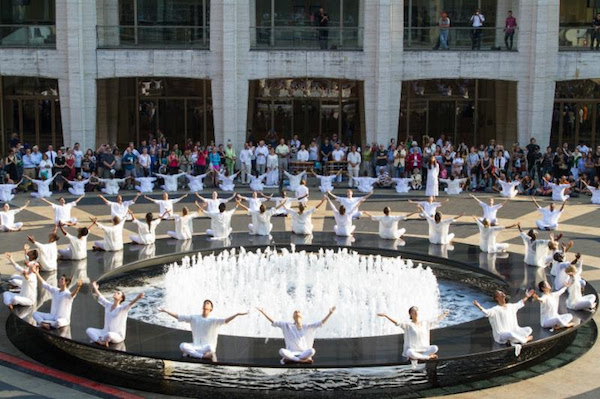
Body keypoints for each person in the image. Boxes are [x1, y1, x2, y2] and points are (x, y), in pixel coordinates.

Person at [158, 300, 248, 360]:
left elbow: (225, 321)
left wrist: (237, 314)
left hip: (206, 348)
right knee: (182, 345)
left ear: (211, 308)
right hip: (196, 347)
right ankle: (201, 356)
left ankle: (190, 353)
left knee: (210, 348)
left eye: (208, 303)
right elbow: (179, 316)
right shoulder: (194, 318)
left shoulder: (214, 320)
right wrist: (166, 311)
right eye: (205, 303)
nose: (206, 304)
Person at [256, 306, 336, 364]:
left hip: (303, 353)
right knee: (281, 351)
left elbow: (320, 323)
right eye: (295, 312)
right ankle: (300, 361)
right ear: (293, 317)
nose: (297, 312)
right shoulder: (287, 325)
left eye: (298, 312)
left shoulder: (307, 326)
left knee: (312, 350)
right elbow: (274, 322)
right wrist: (263, 312)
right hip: (291, 353)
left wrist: (330, 313)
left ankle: (291, 360)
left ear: (301, 316)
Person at [378, 307, 449, 369]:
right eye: (414, 311)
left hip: (423, 349)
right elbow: (397, 323)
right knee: (409, 352)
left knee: (435, 348)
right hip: (413, 350)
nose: (416, 312)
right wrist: (386, 316)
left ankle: (418, 357)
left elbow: (436, 320)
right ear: (410, 314)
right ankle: (428, 357)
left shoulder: (425, 323)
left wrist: (444, 314)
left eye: (417, 311)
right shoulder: (408, 325)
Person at [473, 290, 534, 356]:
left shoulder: (511, 306)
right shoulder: (495, 309)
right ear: (497, 298)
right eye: (500, 293)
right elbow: (487, 312)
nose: (503, 293)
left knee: (529, 329)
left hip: (513, 331)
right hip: (501, 334)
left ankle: (513, 340)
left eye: (502, 292)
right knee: (510, 334)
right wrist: (479, 306)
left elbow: (520, 303)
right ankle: (525, 339)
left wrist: (527, 297)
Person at [86, 281, 145, 347]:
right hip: (104, 332)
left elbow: (130, 304)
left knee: (109, 335)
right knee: (89, 330)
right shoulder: (108, 305)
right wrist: (95, 288)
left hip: (117, 336)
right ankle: (100, 342)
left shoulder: (122, 309)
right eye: (115, 292)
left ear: (121, 298)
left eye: (118, 293)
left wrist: (138, 297)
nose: (115, 293)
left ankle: (101, 339)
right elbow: (101, 297)